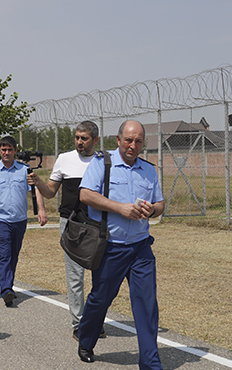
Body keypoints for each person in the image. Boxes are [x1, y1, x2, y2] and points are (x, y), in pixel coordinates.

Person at [77, 120, 164, 368]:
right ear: (118, 140)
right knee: (100, 299)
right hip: (110, 247)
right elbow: (86, 194)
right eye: (128, 140)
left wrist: (151, 210)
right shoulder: (102, 163)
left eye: (138, 141)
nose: (132, 145)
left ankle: (150, 363)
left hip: (140, 247)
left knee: (147, 305)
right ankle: (86, 339)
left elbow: (160, 204)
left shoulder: (148, 170)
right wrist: (120, 208)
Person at [28, 121, 106, 340]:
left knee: (101, 277)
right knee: (75, 277)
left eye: (84, 138)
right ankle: (79, 324)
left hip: (98, 225)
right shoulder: (64, 159)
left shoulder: (104, 161)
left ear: (95, 140)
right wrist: (38, 182)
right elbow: (50, 192)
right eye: (77, 137)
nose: (79, 142)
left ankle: (94, 320)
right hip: (71, 224)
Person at [0, 136, 47, 307]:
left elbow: (36, 190)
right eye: (3, 149)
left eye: (10, 149)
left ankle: (8, 285)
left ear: (15, 151)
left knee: (14, 254)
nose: (6, 153)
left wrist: (41, 209)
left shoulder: (24, 170)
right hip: (0, 220)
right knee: (4, 254)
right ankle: (6, 289)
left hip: (19, 220)